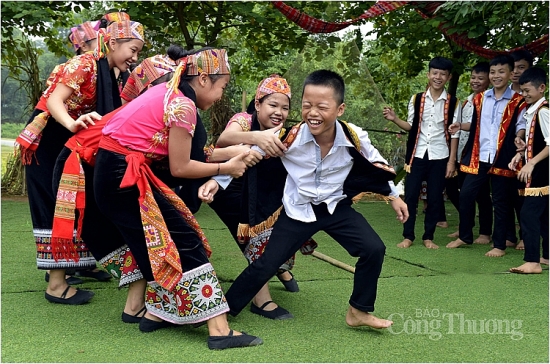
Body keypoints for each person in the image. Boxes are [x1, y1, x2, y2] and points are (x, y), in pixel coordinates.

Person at [203, 69, 408, 329]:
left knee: (374, 249)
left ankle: (358, 311)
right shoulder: (289, 137)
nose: (313, 113)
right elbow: (248, 158)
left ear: (340, 109)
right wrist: (215, 181)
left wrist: (393, 196)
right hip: (298, 211)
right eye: (306, 106)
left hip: (336, 207)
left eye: (322, 107)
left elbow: (377, 162)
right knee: (266, 263)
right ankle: (218, 315)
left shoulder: (354, 136)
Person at [93, 47, 263, 350]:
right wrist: (227, 168)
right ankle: (219, 330)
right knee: (184, 241)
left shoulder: (167, 92)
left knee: (161, 242)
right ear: (204, 80)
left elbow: (184, 155)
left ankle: (155, 314)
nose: (222, 95)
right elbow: (181, 167)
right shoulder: (183, 106)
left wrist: (225, 158)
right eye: (222, 86)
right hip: (124, 176)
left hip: (114, 173)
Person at [15, 19, 144, 305]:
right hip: (51, 141)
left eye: (138, 52)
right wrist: (73, 124)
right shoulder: (85, 64)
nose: (135, 57)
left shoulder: (113, 73)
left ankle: (75, 270)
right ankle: (57, 285)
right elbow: (54, 102)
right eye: (132, 49)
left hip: (72, 141)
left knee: (76, 206)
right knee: (57, 206)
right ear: (112, 43)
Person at [51, 54, 177, 323]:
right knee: (128, 234)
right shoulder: (151, 108)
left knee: (136, 234)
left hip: (96, 168)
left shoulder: (157, 108)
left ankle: (135, 306)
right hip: (81, 169)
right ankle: (140, 305)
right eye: (171, 82)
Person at [208, 75, 313, 320]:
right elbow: (224, 140)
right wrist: (257, 138)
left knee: (280, 227)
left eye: (285, 107)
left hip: (264, 189)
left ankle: (279, 269)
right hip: (228, 186)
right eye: (273, 105)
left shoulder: (286, 131)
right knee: (251, 238)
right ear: (257, 105)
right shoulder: (243, 120)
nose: (279, 112)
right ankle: (261, 299)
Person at [447, 54, 527, 257]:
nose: (496, 76)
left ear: (511, 74)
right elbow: (476, 125)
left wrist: (519, 137)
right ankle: (465, 235)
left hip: (502, 157)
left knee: (501, 201)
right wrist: (460, 126)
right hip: (479, 156)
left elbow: (521, 124)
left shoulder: (518, 101)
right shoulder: (480, 98)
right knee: (465, 194)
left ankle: (499, 244)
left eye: (501, 71)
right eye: (493, 72)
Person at [383, 57, 460, 249]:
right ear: (428, 75)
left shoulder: (454, 103)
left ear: (448, 77)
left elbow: (455, 133)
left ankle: (428, 237)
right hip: (416, 155)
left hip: (440, 155)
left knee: (435, 198)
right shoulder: (417, 99)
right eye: (435, 73)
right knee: (410, 196)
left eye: (443, 74)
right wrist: (394, 119)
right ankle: (408, 236)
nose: (438, 77)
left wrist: (452, 161)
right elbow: (410, 126)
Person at [447, 62, 493, 245]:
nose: (476, 81)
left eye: (481, 78)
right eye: (473, 77)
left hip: (480, 155)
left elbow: (481, 127)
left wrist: (461, 126)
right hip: (463, 154)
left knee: (473, 194)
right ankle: (470, 229)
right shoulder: (466, 101)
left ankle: (476, 234)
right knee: (466, 192)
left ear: (489, 80)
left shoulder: (487, 100)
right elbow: (457, 128)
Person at [508, 67, 549, 273]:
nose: (524, 94)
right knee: (543, 216)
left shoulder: (544, 111)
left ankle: (532, 261)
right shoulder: (533, 110)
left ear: (541, 88)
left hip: (541, 172)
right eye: (522, 91)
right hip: (539, 170)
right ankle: (547, 256)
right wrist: (521, 154)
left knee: (528, 214)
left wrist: (531, 163)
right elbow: (536, 142)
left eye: (527, 90)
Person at [509, 49, 534, 250]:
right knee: (504, 195)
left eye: (521, 68)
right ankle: (508, 235)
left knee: (523, 197)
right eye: (514, 68)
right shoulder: (504, 93)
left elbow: (524, 125)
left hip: (528, 153)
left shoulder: (534, 100)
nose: (516, 72)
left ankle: (526, 237)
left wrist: (520, 138)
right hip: (505, 152)